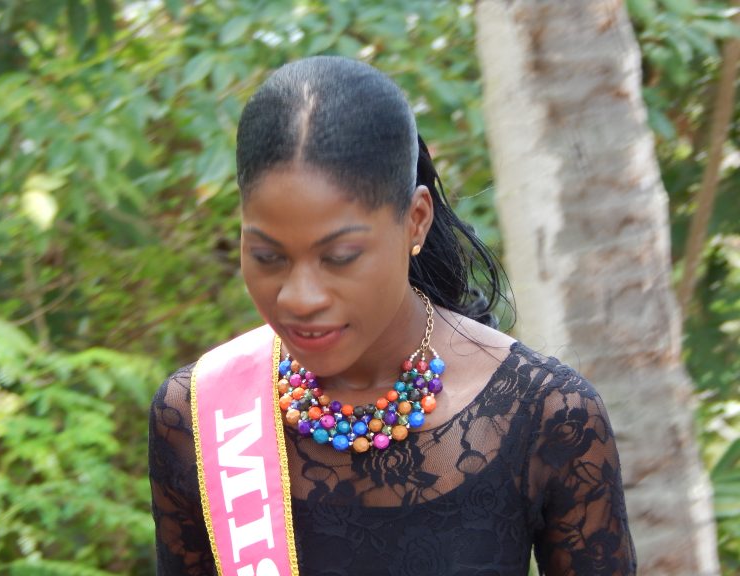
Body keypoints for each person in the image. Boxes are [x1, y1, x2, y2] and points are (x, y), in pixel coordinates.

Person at [148, 56, 637, 576]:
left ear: (416, 221)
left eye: (340, 257)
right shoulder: (199, 415)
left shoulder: (548, 415)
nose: (299, 298)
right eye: (268, 256)